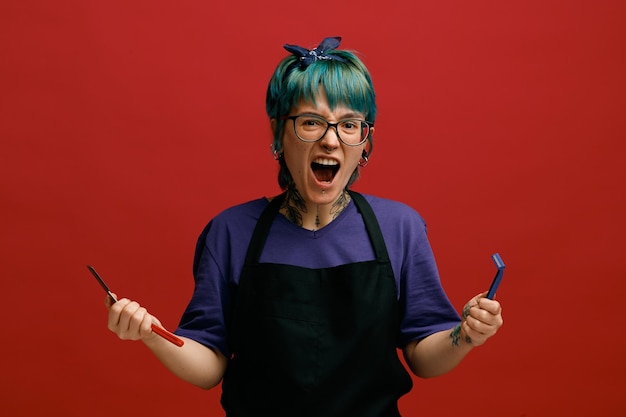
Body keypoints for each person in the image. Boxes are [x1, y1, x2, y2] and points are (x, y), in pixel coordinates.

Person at [106, 36, 503, 417]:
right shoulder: (229, 233)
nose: (332, 141)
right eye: (312, 122)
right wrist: (151, 335)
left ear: (365, 143)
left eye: (349, 125)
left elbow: (423, 356)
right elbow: (209, 363)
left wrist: (465, 335)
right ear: (279, 133)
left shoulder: (401, 227)